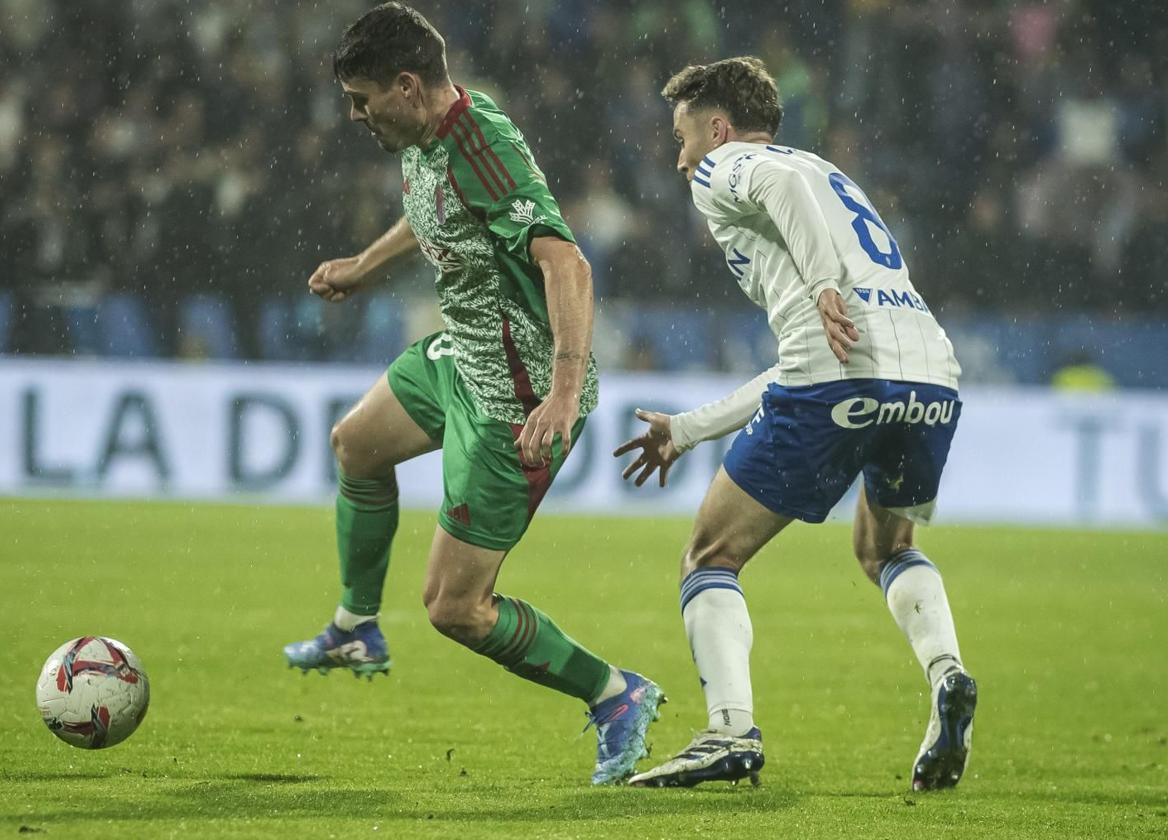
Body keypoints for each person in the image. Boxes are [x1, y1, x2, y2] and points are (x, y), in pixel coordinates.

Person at [284, 3, 663, 785]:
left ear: (407, 84)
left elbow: (569, 267)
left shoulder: (482, 145)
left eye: (362, 99)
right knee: (355, 444)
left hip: (514, 400)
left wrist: (559, 399)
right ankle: (356, 625)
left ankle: (616, 693)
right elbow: (434, 212)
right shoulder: (429, 133)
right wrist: (363, 263)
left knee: (457, 608)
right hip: (462, 357)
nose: (355, 116)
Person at [614, 57, 975, 790]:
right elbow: (809, 357)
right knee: (885, 546)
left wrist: (820, 285)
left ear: (717, 129)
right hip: (929, 375)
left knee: (709, 554)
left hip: (839, 378)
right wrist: (688, 429)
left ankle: (729, 733)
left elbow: (819, 345)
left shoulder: (732, 166)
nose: (679, 158)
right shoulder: (826, 175)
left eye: (682, 137)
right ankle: (948, 674)